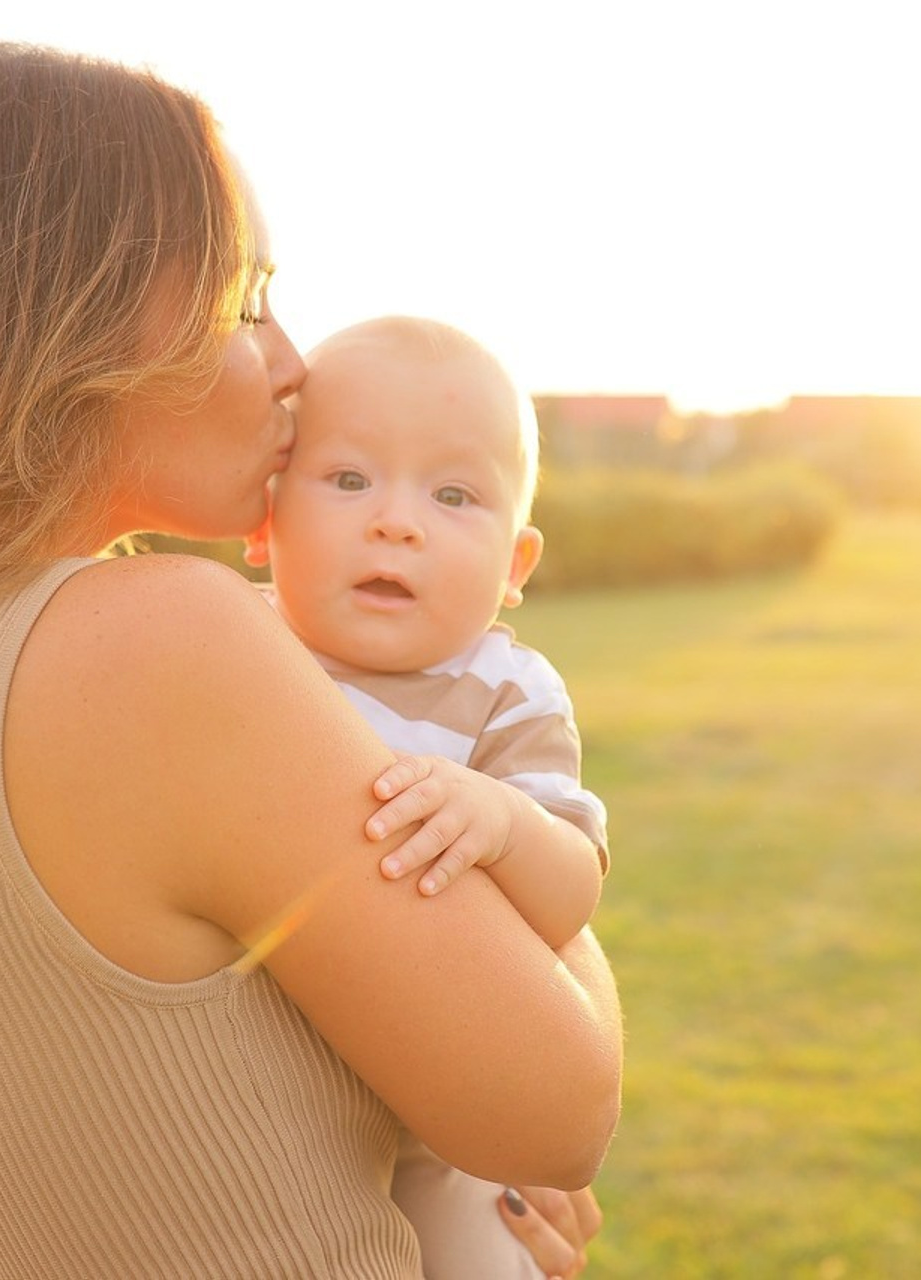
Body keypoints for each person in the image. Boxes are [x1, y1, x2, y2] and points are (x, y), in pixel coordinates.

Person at [0, 42, 621, 1280]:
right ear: (73, 315)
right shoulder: (164, 639)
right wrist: (527, 857)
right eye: (246, 300)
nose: (292, 363)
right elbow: (555, 1111)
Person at [242, 315, 610, 1279]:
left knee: (487, 1254)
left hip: (446, 1112)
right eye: (349, 479)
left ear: (515, 566)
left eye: (453, 495)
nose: (396, 522)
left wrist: (505, 823)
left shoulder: (507, 692)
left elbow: (571, 897)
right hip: (263, 1099)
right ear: (265, 520)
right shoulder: (237, 648)